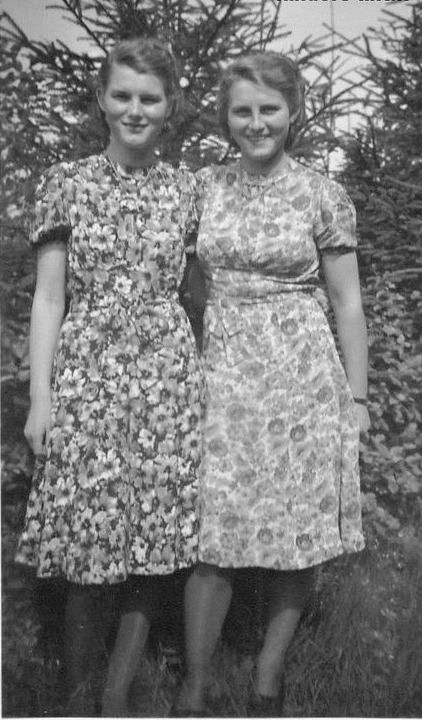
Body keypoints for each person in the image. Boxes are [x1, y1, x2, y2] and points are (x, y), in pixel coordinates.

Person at [173, 51, 371, 717]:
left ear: (291, 112)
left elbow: (346, 302)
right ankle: (196, 684)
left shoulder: (320, 193)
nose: (256, 123)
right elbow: (190, 282)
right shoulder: (202, 187)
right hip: (226, 369)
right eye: (242, 111)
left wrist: (357, 396)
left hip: (303, 374)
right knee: (215, 531)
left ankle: (266, 677)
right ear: (226, 118)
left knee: (301, 528)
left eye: (268, 109)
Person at [16, 37, 203, 717]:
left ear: (169, 107)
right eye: (122, 95)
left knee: (154, 541)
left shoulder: (189, 189)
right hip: (88, 374)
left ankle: (118, 696)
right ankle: (71, 699)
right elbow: (49, 298)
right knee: (88, 540)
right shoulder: (66, 181)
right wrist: (41, 397)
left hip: (168, 379)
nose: (134, 108)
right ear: (102, 99)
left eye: (148, 98)